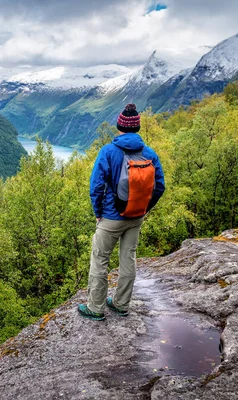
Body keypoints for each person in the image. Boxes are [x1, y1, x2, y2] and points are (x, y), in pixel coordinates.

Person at [78, 103, 165, 321]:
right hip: (135, 216)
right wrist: (144, 208)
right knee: (128, 258)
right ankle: (121, 304)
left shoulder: (108, 152)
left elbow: (96, 186)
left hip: (111, 217)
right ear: (137, 128)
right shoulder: (149, 154)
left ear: (119, 127)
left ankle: (95, 308)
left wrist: (98, 212)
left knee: (100, 259)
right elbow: (160, 186)